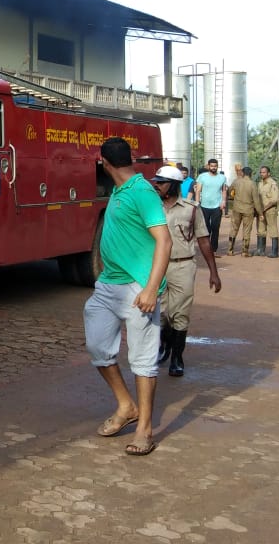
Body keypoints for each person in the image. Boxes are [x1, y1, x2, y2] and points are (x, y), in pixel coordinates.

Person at [84, 137, 171, 457]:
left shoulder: (142, 191)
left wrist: (151, 288)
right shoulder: (120, 191)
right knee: (97, 346)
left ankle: (145, 429)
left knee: (143, 360)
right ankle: (126, 405)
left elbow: (164, 241)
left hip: (138, 288)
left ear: (104, 163)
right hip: (108, 286)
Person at [149, 165, 221, 378]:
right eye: (157, 182)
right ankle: (164, 345)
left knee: (180, 314)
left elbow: (204, 240)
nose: (157, 185)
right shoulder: (152, 207)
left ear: (173, 185)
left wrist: (213, 273)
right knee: (160, 313)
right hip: (157, 266)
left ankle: (177, 358)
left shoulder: (191, 209)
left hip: (183, 265)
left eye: (161, 182)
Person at [193, 158, 227, 254]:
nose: (213, 168)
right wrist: (197, 203)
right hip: (204, 205)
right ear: (208, 166)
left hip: (217, 206)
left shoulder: (222, 178)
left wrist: (223, 201)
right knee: (206, 228)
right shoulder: (202, 177)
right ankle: (206, 248)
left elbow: (224, 190)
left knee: (215, 228)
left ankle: (213, 249)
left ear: (217, 167)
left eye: (215, 166)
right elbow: (198, 190)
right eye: (212, 166)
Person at [227, 164, 259, 257]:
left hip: (236, 208)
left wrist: (233, 197)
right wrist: (260, 212)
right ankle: (245, 252)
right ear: (251, 174)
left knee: (234, 228)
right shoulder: (252, 184)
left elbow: (229, 190)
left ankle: (230, 250)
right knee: (247, 230)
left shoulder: (236, 181)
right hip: (248, 210)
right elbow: (256, 200)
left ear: (242, 173)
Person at [255, 165, 279, 257]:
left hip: (270, 210)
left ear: (268, 173)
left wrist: (264, 208)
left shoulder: (272, 184)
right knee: (260, 229)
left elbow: (274, 199)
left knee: (273, 229)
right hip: (261, 211)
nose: (262, 174)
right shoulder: (260, 183)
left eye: (264, 172)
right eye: (261, 172)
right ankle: (260, 250)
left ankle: (275, 252)